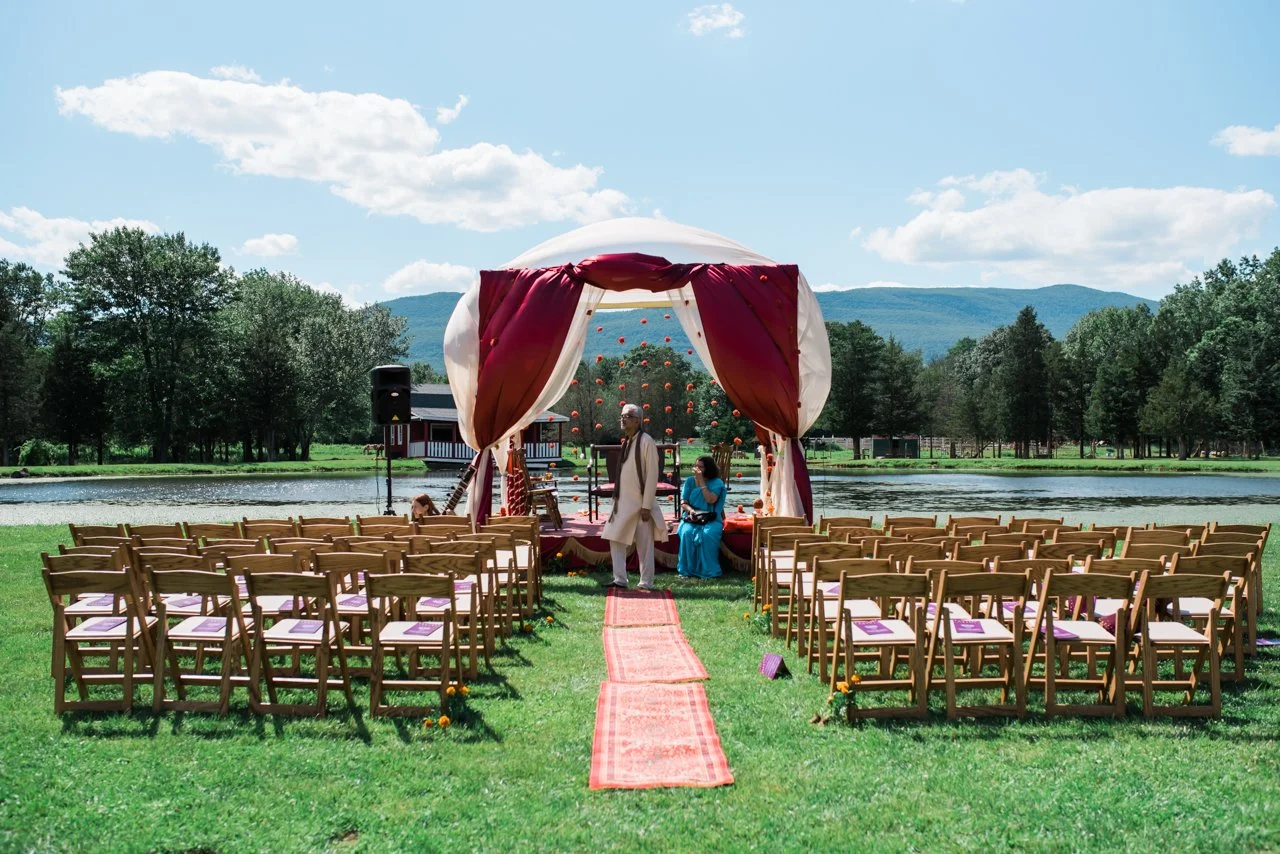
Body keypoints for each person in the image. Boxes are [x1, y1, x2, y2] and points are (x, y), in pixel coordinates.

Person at [601, 403, 667, 590]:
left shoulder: (646, 441)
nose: (623, 419)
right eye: (622, 415)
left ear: (638, 420)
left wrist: (646, 505)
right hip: (622, 503)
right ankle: (620, 579)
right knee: (615, 539)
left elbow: (653, 475)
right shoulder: (628, 441)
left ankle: (646, 581)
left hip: (640, 505)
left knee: (645, 545)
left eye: (628, 416)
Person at [676, 455, 727, 579]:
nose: (697, 469)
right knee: (687, 533)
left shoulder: (717, 483)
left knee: (707, 534)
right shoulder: (689, 481)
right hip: (692, 517)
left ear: (708, 468)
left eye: (701, 467)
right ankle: (686, 570)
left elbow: (711, 499)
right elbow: (684, 502)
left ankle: (708, 571)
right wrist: (691, 511)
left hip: (711, 518)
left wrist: (702, 482)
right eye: (696, 466)